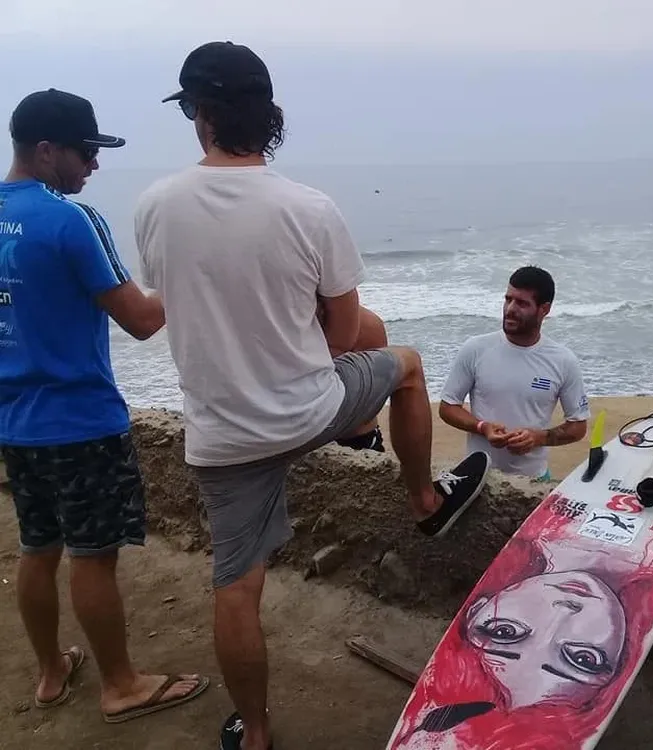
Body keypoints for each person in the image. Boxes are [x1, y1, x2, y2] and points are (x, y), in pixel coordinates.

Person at [134, 41, 490, 750]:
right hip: (308, 411)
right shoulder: (309, 208)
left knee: (236, 588)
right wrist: (300, 369)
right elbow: (346, 330)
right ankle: (424, 500)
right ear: (267, 116)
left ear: (201, 114)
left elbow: (173, 304)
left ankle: (256, 733)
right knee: (407, 364)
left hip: (222, 439)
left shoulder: (153, 206)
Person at [0, 89, 209, 722]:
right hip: (80, 422)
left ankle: (50, 672)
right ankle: (121, 686)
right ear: (46, 150)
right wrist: (188, 272)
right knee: (92, 557)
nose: (94, 165)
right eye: (86, 151)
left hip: (14, 421)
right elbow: (141, 320)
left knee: (38, 547)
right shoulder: (71, 219)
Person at [438, 266, 591, 481]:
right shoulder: (476, 349)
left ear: (544, 309)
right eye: (508, 299)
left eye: (522, 303)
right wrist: (482, 427)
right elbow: (448, 407)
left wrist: (538, 437)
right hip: (480, 478)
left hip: (534, 480)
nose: (510, 309)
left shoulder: (563, 360)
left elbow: (578, 426)